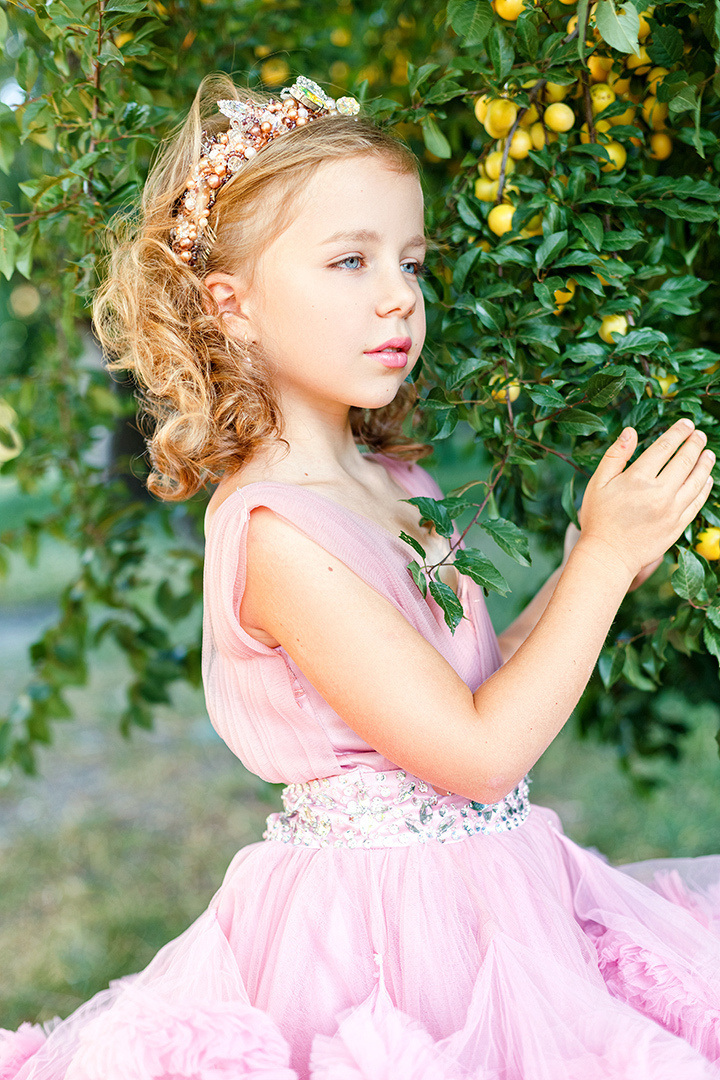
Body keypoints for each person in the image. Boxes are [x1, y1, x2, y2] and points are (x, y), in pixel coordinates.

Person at [2, 71, 719, 1080]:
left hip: (505, 899)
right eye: (350, 260)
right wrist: (599, 562)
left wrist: (592, 565)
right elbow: (479, 756)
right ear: (234, 307)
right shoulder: (279, 533)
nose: (398, 295)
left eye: (411, 262)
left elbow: (473, 695)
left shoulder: (395, 480)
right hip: (385, 942)